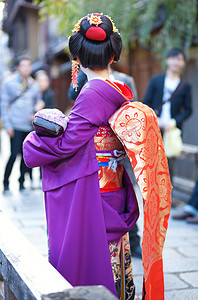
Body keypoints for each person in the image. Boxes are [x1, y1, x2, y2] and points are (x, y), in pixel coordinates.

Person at [23, 13, 171, 300]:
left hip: (95, 193)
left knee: (94, 257)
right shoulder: (118, 88)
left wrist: (34, 142)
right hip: (111, 186)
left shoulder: (92, 92)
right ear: (113, 55)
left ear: (76, 57)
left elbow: (66, 145)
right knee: (113, 253)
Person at [68, 63, 142, 259]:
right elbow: (71, 96)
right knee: (104, 202)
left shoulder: (124, 80)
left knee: (123, 195)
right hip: (95, 154)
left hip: (117, 149)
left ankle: (133, 242)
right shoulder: (86, 83)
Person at [143, 48, 192, 204]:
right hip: (155, 127)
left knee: (170, 163)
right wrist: (155, 119)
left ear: (183, 63)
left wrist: (174, 122)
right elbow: (146, 102)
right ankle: (152, 196)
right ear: (167, 60)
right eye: (173, 58)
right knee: (153, 161)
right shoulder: (156, 80)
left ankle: (167, 198)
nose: (176, 62)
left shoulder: (185, 86)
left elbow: (189, 110)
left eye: (179, 59)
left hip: (173, 131)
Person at [1, 56, 42, 194]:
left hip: (29, 126)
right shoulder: (9, 83)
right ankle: (5, 183)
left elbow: (38, 102)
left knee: (27, 156)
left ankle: (22, 183)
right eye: (24, 65)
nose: (27, 68)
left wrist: (37, 108)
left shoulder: (34, 85)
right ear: (18, 67)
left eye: (29, 65)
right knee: (13, 154)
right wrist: (8, 126)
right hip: (15, 125)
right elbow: (3, 105)